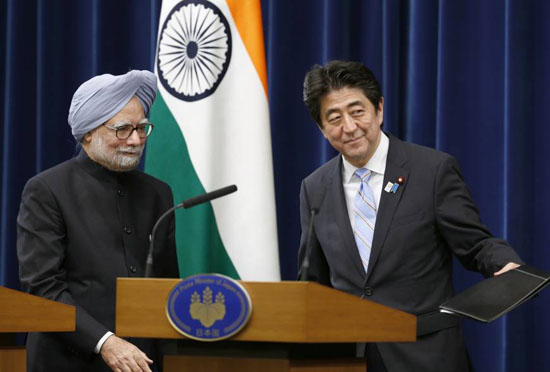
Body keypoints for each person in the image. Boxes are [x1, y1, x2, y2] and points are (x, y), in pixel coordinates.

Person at [298, 60, 523, 372]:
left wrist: (505, 265)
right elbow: (314, 282)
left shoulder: (432, 170)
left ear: (379, 109)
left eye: (357, 111)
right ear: (322, 128)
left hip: (426, 355)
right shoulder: (314, 188)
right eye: (334, 118)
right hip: (348, 359)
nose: (348, 127)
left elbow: (476, 244)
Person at [17, 70, 179, 372]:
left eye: (142, 128)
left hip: (143, 362)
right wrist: (105, 341)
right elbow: (42, 288)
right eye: (122, 129)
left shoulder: (158, 193)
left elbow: (166, 284)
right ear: (89, 132)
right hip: (69, 360)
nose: (135, 140)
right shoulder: (47, 190)